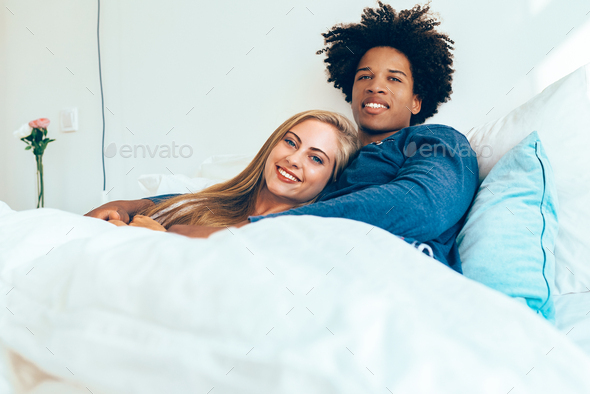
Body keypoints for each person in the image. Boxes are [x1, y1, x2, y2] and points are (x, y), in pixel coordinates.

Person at [88, 3, 479, 273]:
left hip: (400, 283)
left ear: (416, 100)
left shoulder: (438, 140)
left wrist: (244, 232)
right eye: (364, 77)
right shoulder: (335, 165)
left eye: (394, 79)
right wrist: (139, 204)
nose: (375, 86)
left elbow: (424, 205)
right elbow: (245, 192)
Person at [85, 110, 360, 232]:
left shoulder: (296, 230)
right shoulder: (217, 199)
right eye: (290, 142)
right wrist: (119, 207)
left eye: (316, 159)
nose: (294, 159)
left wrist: (163, 241)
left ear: (331, 178)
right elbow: (160, 204)